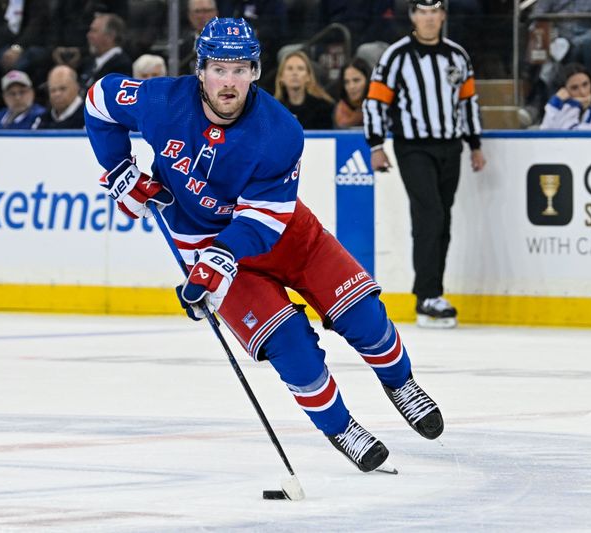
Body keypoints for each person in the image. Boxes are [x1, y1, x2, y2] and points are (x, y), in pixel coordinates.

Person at [84, 17, 444, 473]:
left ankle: (400, 383)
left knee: (364, 316)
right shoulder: (161, 102)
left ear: (256, 71)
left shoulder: (281, 131)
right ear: (200, 70)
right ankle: (341, 427)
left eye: (240, 70)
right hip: (205, 244)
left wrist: (217, 262)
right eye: (219, 69)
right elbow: (99, 101)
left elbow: (263, 219)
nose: (228, 82)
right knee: (289, 346)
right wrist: (119, 170)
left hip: (282, 234)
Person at [363, 0, 486, 329]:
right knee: (429, 213)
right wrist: (376, 144)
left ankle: (433, 294)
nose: (429, 18)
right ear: (413, 16)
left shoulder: (457, 56)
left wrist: (474, 144)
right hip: (413, 147)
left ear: (443, 16)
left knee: (442, 218)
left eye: (435, 12)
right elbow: (375, 101)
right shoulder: (396, 56)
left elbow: (467, 101)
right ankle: (426, 295)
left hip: (451, 146)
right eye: (423, 12)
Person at [540, 63, 591, 130]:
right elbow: (545, 132)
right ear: (564, 91)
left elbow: (571, 138)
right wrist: (554, 105)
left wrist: (574, 105)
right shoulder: (564, 106)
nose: (582, 92)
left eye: (585, 84)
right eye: (574, 88)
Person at [274, 50, 335, 130]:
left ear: (308, 77)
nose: (295, 73)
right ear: (281, 77)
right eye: (289, 68)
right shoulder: (273, 109)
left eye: (300, 68)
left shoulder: (324, 108)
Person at [79, 13, 133, 91]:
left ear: (110, 36)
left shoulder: (121, 66)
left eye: (94, 31)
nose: (88, 35)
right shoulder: (89, 61)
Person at [179, 0, 220, 75]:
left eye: (207, 11)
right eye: (197, 11)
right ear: (189, 15)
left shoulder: (229, 43)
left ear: (216, 14)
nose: (201, 16)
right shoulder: (182, 48)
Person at [334, 58, 370, 128]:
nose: (351, 86)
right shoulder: (338, 111)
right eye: (346, 82)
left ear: (368, 81)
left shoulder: (380, 110)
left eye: (356, 80)